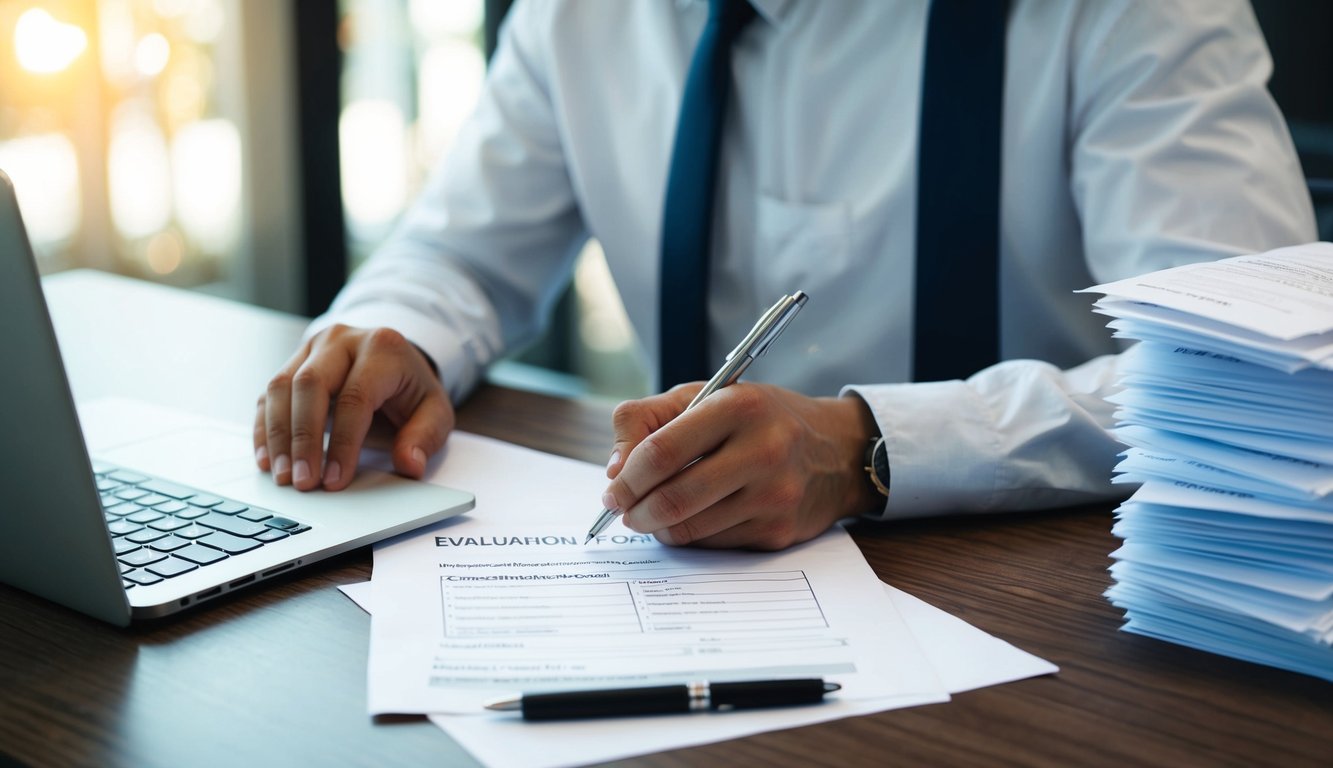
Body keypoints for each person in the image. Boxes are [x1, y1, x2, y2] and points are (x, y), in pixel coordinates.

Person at [254, 0, 1315, 550]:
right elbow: (460, 252)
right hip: (687, 601)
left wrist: (869, 450)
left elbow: (1251, 374)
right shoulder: (579, 16)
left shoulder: (1135, 14)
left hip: (1065, 611)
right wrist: (397, 330)